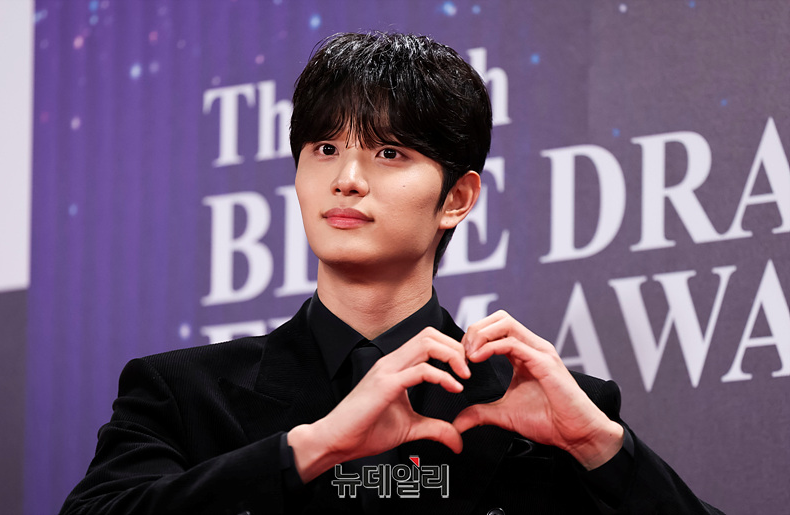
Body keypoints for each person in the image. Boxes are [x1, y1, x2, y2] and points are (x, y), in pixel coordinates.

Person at [60, 32, 723, 514]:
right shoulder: (182, 394)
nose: (346, 179)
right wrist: (312, 448)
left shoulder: (548, 409)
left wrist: (599, 444)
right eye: (325, 148)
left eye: (389, 152)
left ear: (457, 197)